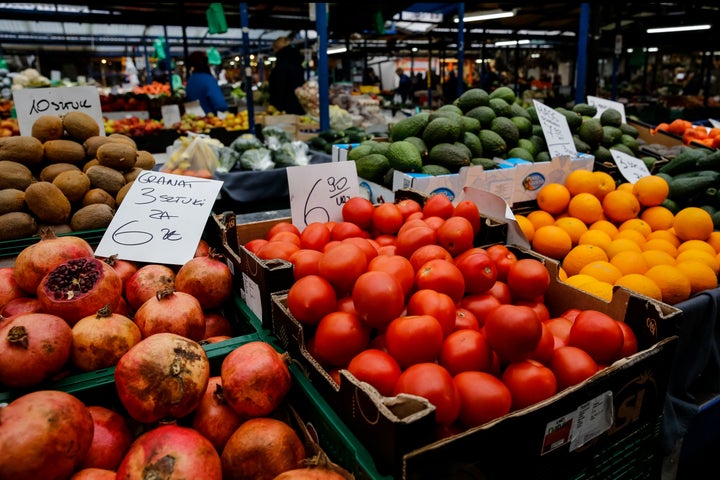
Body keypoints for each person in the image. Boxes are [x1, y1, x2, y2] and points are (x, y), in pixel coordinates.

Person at [268, 36, 306, 114]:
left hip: (285, 108)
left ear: (276, 48)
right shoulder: (297, 61)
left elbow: (278, 88)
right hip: (300, 105)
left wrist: (275, 106)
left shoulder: (281, 65)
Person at [185, 51, 228, 115]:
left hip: (194, 119)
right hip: (210, 119)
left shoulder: (190, 80)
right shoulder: (208, 79)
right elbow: (220, 104)